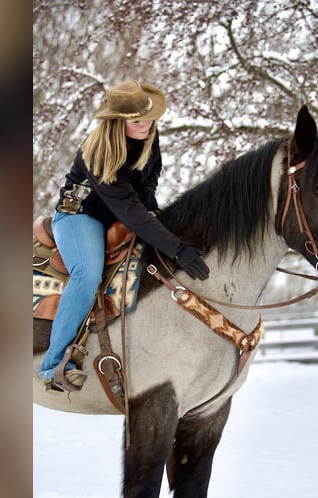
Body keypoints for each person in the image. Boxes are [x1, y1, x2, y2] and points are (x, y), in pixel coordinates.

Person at [40, 80, 209, 392]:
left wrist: (162, 221)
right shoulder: (99, 152)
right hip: (81, 217)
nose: (145, 124)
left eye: (148, 117)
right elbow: (130, 210)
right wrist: (176, 247)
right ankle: (54, 365)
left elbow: (146, 188)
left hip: (118, 216)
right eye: (136, 120)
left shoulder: (148, 139)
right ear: (118, 122)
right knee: (87, 274)